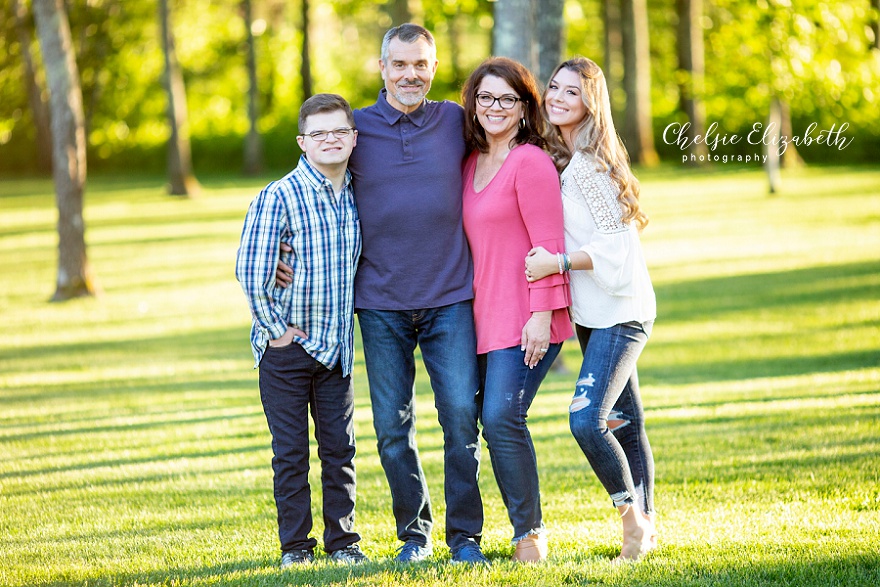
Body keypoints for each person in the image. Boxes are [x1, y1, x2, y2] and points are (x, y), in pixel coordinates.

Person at [278, 24, 487, 564]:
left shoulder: (455, 121)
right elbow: (307, 184)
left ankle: (465, 537)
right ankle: (414, 537)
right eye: (400, 64)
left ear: (434, 68)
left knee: (461, 415)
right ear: (382, 68)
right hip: (379, 303)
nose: (410, 74)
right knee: (393, 428)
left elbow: (507, 153)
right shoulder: (356, 130)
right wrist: (283, 260)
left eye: (420, 64)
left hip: (450, 297)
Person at [524, 56, 658, 561]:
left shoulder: (591, 167)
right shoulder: (566, 156)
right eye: (554, 88)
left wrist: (556, 262)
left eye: (571, 92)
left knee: (587, 420)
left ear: (590, 103)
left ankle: (632, 520)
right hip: (593, 313)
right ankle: (645, 527)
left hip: (620, 315)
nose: (558, 97)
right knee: (627, 421)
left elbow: (617, 251)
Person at [235, 93, 368, 568]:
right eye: (319, 133)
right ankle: (295, 546)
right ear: (302, 142)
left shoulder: (358, 193)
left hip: (336, 351)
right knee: (290, 454)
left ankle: (343, 542)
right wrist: (276, 331)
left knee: (340, 451)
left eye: (339, 131)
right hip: (287, 350)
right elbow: (251, 271)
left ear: (353, 138)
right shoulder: (279, 195)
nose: (330, 140)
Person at [460, 57, 573, 562]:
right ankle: (516, 528)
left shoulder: (530, 162)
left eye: (508, 99)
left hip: (528, 316)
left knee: (503, 416)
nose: (495, 107)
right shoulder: (469, 162)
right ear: (473, 103)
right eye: (486, 97)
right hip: (481, 317)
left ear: (526, 107)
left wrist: (541, 316)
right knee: (490, 419)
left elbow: (549, 244)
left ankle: (529, 535)